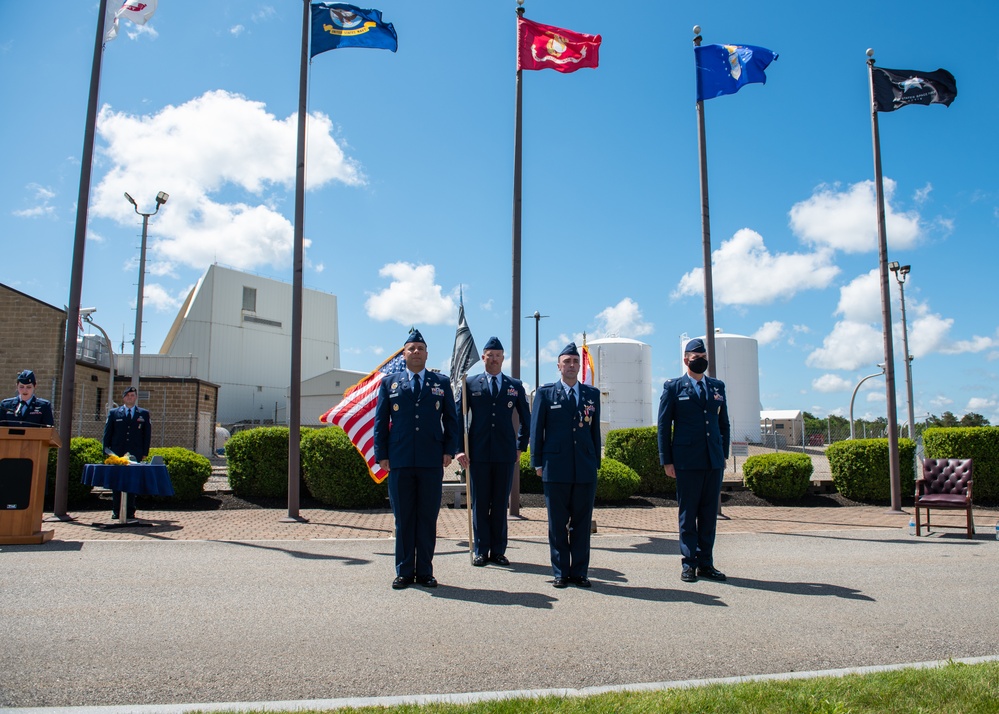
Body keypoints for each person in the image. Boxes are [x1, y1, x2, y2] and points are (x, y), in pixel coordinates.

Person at [374, 329, 461, 590]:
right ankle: (403, 571)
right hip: (399, 460)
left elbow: (451, 420)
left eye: (420, 348)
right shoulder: (389, 383)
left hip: (431, 460)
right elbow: (380, 422)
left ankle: (424, 571)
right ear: (404, 353)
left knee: (426, 518)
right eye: (411, 348)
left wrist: (449, 450)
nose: (416, 352)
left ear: (426, 353)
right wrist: (382, 454)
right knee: (403, 518)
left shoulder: (440, 382)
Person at [657, 338, 730, 583]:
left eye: (703, 356)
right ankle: (689, 563)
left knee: (709, 515)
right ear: (686, 360)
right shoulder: (674, 387)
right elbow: (664, 426)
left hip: (713, 460)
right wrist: (667, 460)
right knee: (688, 515)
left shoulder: (717, 387)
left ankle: (706, 563)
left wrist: (723, 454)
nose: (700, 360)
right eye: (695, 357)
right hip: (686, 461)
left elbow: (724, 424)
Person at [529, 342, 601, 589]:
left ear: (579, 366)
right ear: (558, 366)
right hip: (555, 466)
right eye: (566, 362)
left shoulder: (591, 394)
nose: (571, 365)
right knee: (557, 523)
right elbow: (536, 430)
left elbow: (595, 432)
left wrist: (596, 464)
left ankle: (579, 572)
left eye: (574, 362)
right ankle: (560, 571)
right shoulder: (546, 394)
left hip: (584, 467)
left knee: (582, 523)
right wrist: (537, 462)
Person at [455, 336, 531, 567]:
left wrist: (521, 446)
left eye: (498, 355)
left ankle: (498, 551)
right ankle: (480, 550)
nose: (494, 359)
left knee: (499, 503)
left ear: (503, 358)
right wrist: (459, 449)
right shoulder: (470, 384)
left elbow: (527, 420)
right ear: (483, 357)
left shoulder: (514, 385)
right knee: (479, 503)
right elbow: (458, 418)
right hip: (476, 453)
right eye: (490, 355)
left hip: (505, 453)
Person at [102, 386, 152, 520]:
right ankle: (116, 510)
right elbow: (108, 433)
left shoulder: (143, 414)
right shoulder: (114, 413)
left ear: (136, 397)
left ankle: (130, 510)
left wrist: (144, 452)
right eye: (128, 395)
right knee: (117, 482)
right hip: (117, 453)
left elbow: (146, 435)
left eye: (133, 395)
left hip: (135, 452)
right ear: (123, 398)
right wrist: (106, 450)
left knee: (132, 482)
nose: (130, 397)